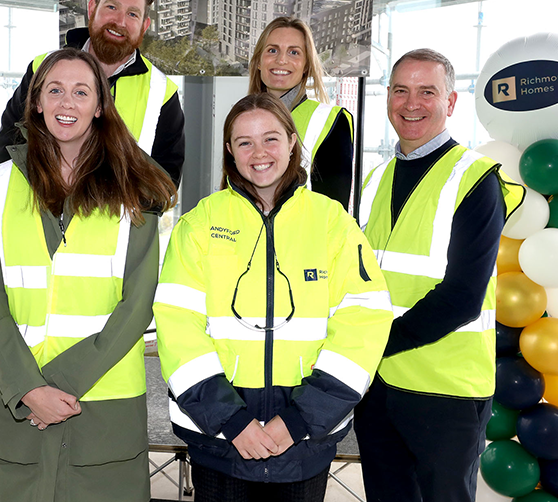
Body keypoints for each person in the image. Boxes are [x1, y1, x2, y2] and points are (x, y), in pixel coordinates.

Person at [153, 93, 392, 501]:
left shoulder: (333, 222)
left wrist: (298, 420)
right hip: (220, 441)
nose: (258, 153)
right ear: (229, 150)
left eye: (271, 139)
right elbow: (178, 327)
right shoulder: (199, 224)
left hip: (304, 441)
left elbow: (364, 323)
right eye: (244, 142)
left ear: (292, 142)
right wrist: (232, 421)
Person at [0, 48, 177, 502]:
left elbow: (137, 304)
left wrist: (54, 387)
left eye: (81, 92)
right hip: (15, 397)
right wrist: (28, 388)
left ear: (99, 106)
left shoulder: (134, 192)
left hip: (100, 401)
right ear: (37, 101)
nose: (67, 102)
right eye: (55, 90)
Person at [354, 48, 524, 502]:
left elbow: (462, 296)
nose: (412, 104)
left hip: (444, 390)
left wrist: (371, 344)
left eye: (427, 92)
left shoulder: (475, 178)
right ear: (387, 97)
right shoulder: (374, 180)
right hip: (379, 388)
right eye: (401, 91)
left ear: (449, 103)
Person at [0, 0, 185, 187]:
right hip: (38, 215)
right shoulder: (42, 68)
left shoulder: (162, 91)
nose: (120, 21)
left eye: (132, 14)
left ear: (144, 26)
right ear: (92, 8)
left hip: (115, 220)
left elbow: (165, 182)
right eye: (112, 7)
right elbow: (10, 147)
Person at [248, 16, 354, 210]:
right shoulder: (242, 120)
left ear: (306, 66)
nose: (281, 60)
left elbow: (334, 214)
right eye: (272, 50)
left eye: (294, 52)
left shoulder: (330, 121)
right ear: (258, 62)